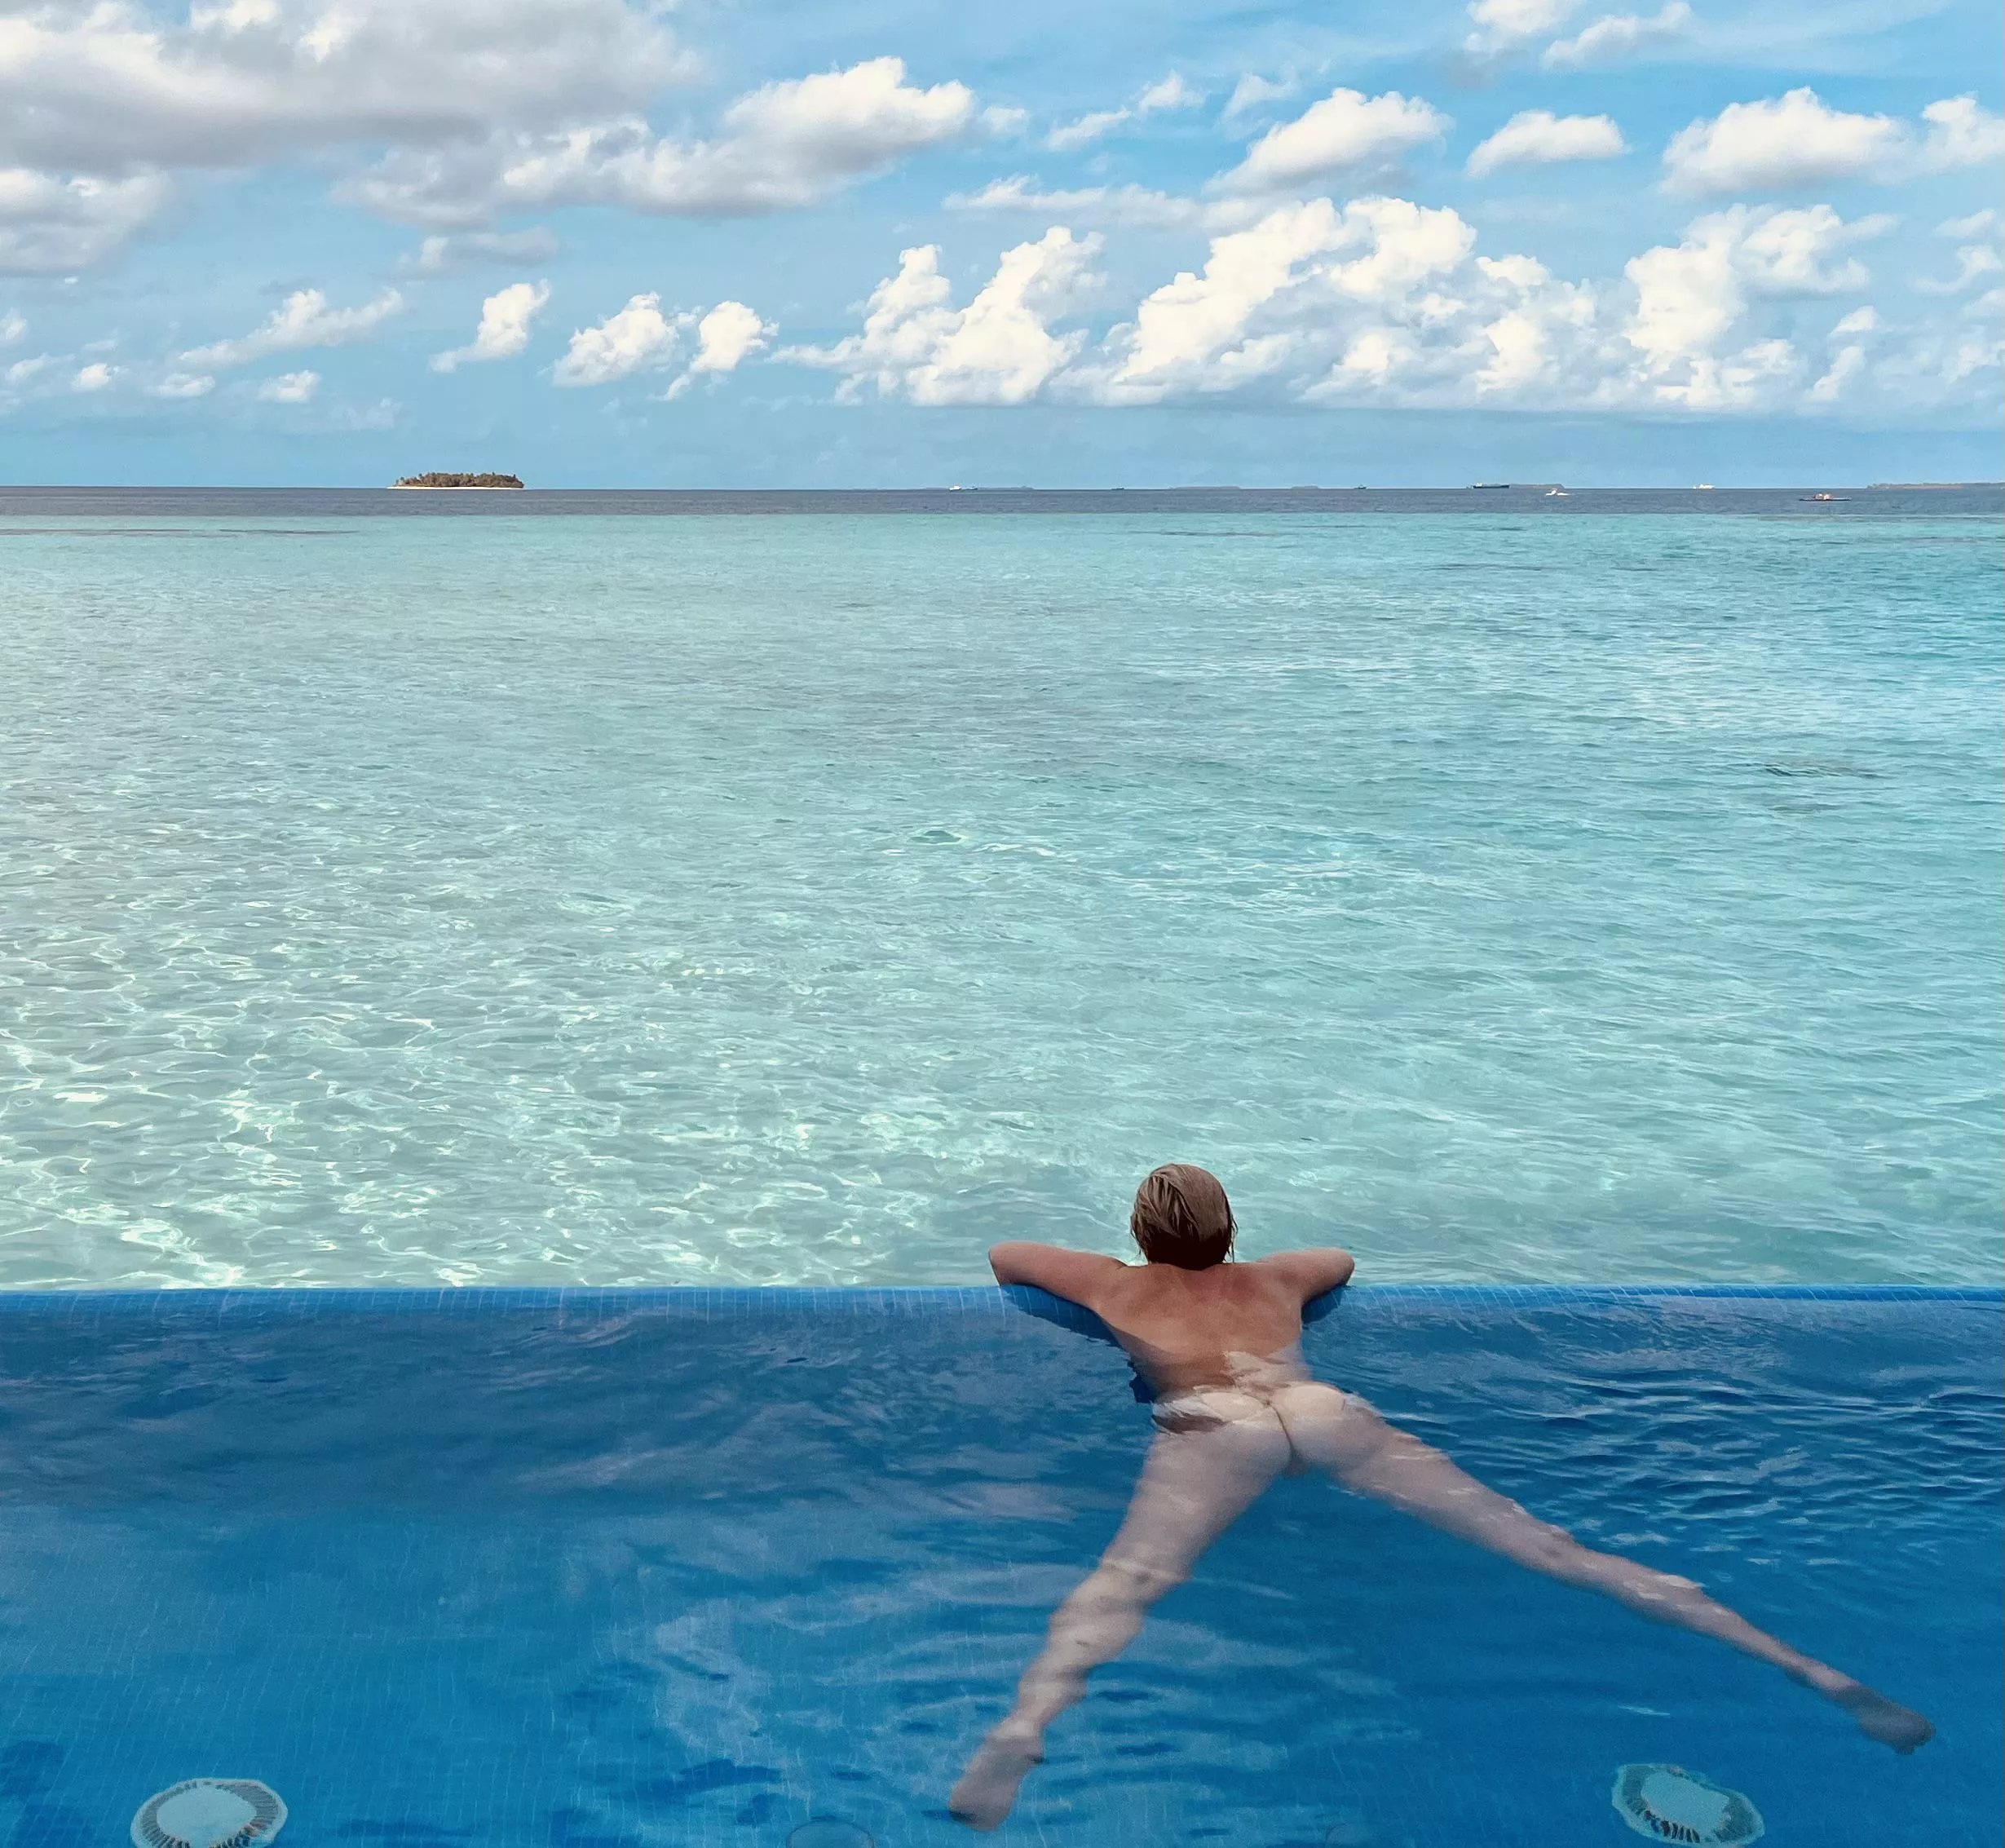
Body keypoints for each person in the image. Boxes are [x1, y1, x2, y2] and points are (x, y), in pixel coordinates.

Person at [948, 1163, 1932, 1832]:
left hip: (1214, 1422)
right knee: (1550, 1547)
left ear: (1137, 1235)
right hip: (1314, 1403)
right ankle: (1812, 1671)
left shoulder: (1120, 1286)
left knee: (1127, 1582)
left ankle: (1022, 1729)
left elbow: (1003, 1252)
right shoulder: (1276, 1277)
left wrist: (1125, 1272)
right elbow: (1338, 1257)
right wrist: (1248, 1263)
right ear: (1232, 1230)